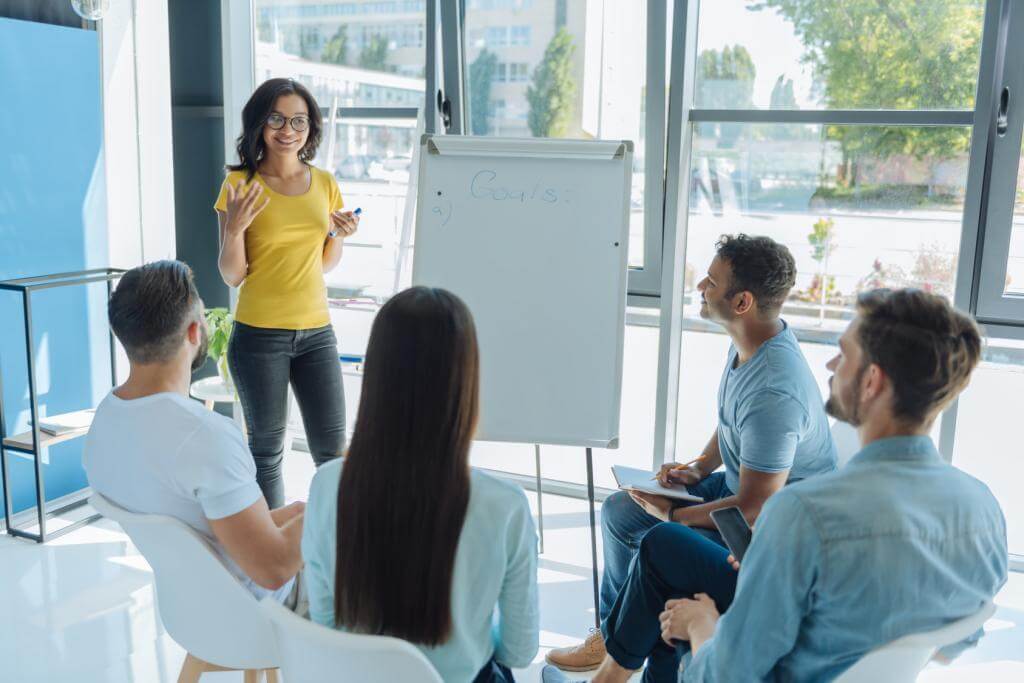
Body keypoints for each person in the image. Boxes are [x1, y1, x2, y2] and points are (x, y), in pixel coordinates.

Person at [546, 288, 1007, 683]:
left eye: (843, 353)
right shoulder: (983, 508)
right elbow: (958, 638)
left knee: (679, 598)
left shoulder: (805, 512)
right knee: (669, 545)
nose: (829, 364)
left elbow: (722, 676)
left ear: (872, 381)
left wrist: (704, 626)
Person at [547, 234, 837, 674]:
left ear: (741, 302)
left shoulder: (776, 390)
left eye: (712, 281)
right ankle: (613, 634)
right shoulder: (752, 342)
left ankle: (625, 645)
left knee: (658, 538)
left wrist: (674, 516)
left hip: (769, 533)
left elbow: (757, 507)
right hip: (743, 489)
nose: (701, 285)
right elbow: (732, 423)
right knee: (622, 510)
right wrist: (699, 467)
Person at [301, 287, 539, 683]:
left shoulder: (327, 486)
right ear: (466, 381)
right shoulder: (505, 507)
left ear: (375, 375)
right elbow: (519, 649)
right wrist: (469, 629)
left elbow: (327, 622)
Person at [84, 261, 305, 606]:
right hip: (261, 614)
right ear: (193, 332)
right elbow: (273, 569)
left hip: (189, 607)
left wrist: (300, 515)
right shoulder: (208, 436)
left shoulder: (105, 420)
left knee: (302, 514)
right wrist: (335, 502)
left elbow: (203, 530)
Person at [214, 77, 360, 510]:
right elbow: (231, 275)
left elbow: (322, 263)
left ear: (310, 128)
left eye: (299, 120)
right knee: (267, 454)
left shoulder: (325, 183)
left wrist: (339, 235)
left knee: (333, 454)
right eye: (277, 117)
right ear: (260, 122)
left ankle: (336, 548)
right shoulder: (239, 185)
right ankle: (271, 557)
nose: (288, 129)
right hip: (259, 336)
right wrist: (236, 226)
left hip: (317, 333)